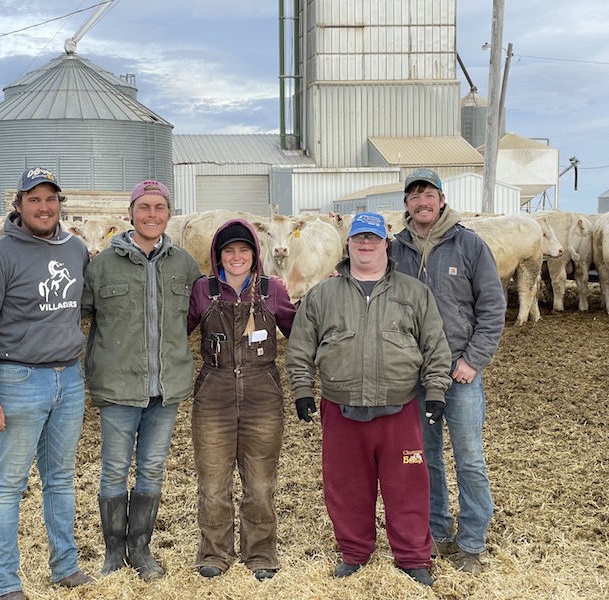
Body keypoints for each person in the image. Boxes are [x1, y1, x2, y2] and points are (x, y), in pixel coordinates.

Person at [285, 212, 452, 588]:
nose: (365, 245)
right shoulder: (322, 294)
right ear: (348, 244)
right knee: (345, 486)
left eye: (373, 239)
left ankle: (412, 557)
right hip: (341, 409)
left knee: (408, 485)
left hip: (401, 407)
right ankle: (355, 553)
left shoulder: (413, 292)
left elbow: (436, 347)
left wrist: (436, 391)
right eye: (359, 238)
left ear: (385, 244)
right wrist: (301, 389)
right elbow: (299, 349)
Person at [0, 167, 93, 600]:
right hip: (17, 378)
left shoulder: (76, 249)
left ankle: (65, 566)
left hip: (68, 377)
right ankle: (7, 583)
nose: (43, 207)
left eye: (50, 198)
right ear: (17, 206)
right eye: (33, 199)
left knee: (60, 478)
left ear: (60, 204)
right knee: (9, 484)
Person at [81, 180, 203, 580]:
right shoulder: (101, 265)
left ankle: (141, 549)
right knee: (114, 469)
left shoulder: (185, 265)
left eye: (160, 207)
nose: (152, 214)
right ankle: (114, 552)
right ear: (130, 213)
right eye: (144, 207)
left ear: (169, 213)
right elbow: (75, 315)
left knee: (152, 468)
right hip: (119, 388)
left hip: (165, 389)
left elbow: (199, 315)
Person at [391, 168, 506, 575]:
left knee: (470, 456)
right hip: (414, 374)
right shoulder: (396, 249)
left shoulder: (469, 244)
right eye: (413, 196)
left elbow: (493, 308)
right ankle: (437, 529)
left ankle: (472, 541)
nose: (421, 202)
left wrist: (473, 360)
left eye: (428, 194)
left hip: (459, 373)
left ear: (441, 198)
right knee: (425, 457)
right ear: (406, 203)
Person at [187, 219, 296, 581]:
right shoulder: (204, 291)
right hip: (213, 392)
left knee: (260, 481)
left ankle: (260, 551)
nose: (236, 257)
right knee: (214, 482)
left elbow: (300, 332)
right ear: (218, 256)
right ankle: (215, 552)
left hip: (262, 393)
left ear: (255, 254)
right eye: (228, 251)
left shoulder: (271, 290)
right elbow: (175, 333)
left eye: (243, 250)